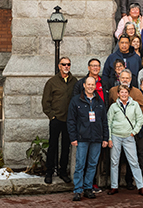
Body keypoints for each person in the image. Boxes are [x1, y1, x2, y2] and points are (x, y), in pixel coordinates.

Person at [67, 76, 109, 202]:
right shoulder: (76, 100)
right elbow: (71, 121)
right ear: (84, 85)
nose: (91, 86)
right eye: (88, 84)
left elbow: (104, 121)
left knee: (92, 164)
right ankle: (78, 190)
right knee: (80, 164)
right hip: (82, 138)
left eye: (93, 84)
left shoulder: (99, 101)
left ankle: (88, 188)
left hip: (96, 138)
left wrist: (105, 138)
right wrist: (73, 137)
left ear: (95, 86)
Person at [106, 85, 143, 196]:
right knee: (114, 162)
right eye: (121, 92)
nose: (124, 94)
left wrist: (134, 132)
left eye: (126, 92)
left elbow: (140, 119)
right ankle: (114, 186)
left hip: (129, 137)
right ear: (118, 94)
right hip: (115, 136)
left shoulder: (135, 105)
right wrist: (109, 138)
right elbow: (108, 123)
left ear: (128, 94)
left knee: (134, 162)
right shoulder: (113, 107)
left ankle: (141, 186)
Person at [42, 56, 77, 184]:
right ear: (59, 66)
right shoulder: (52, 82)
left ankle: (63, 172)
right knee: (53, 146)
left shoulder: (74, 81)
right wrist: (52, 116)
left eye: (68, 64)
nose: (66, 66)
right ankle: (49, 172)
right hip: (56, 119)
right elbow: (45, 102)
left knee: (66, 147)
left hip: (69, 120)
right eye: (64, 64)